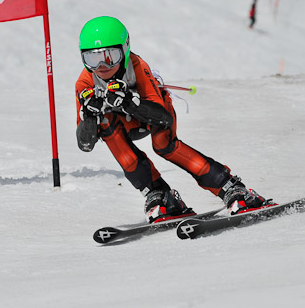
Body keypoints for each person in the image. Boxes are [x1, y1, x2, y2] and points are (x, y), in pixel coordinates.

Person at [75, 16, 268, 223]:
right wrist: (89, 117)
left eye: (110, 56)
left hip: (152, 114)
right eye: (92, 59)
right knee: (103, 121)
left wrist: (129, 102)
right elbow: (85, 145)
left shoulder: (137, 66)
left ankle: (229, 186)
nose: (102, 66)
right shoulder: (84, 83)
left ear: (125, 50)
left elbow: (163, 118)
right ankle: (159, 194)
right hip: (124, 126)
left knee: (163, 144)